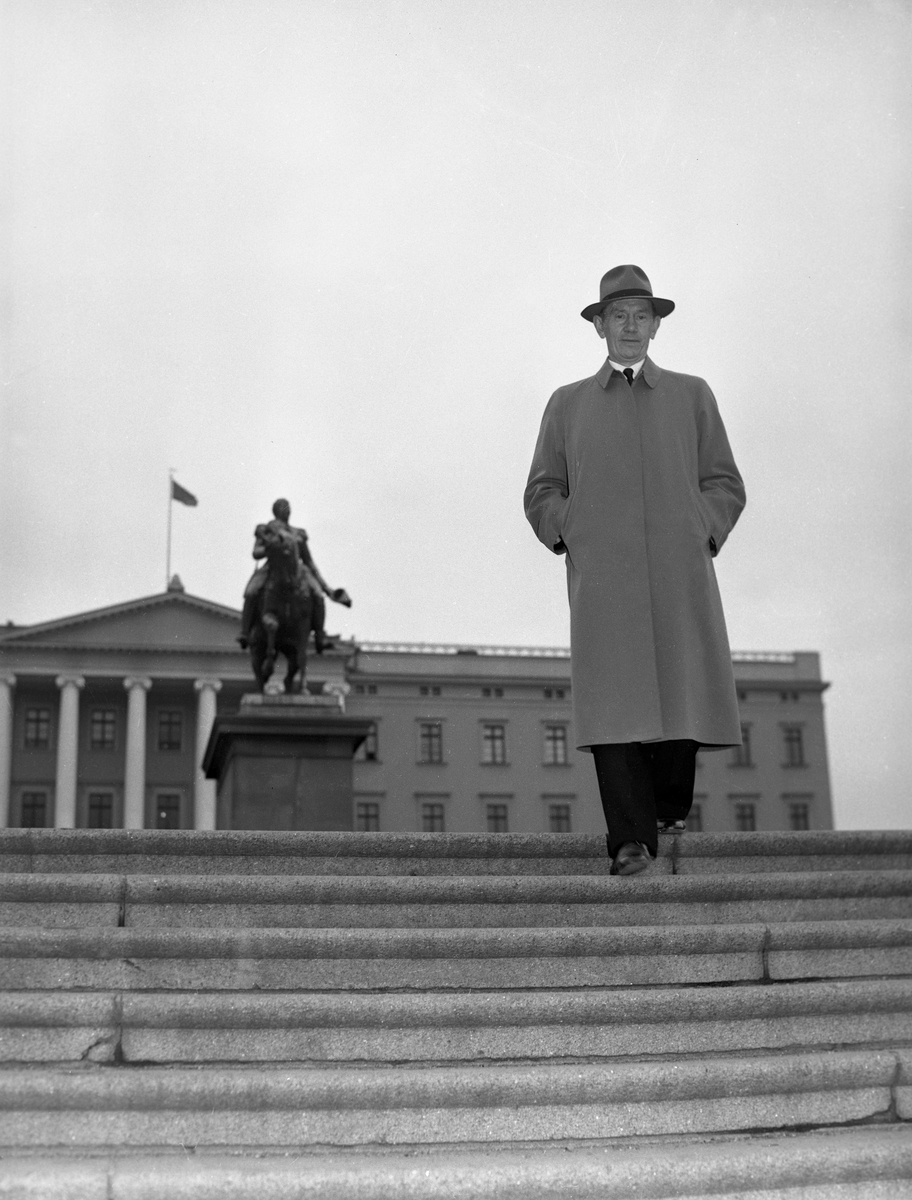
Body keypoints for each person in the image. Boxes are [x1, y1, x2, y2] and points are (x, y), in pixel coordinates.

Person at [524, 264, 745, 876]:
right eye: (617, 315)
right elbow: (542, 489)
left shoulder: (693, 395)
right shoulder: (566, 404)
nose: (630, 326)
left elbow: (724, 481)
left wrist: (702, 526)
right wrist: (571, 531)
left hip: (679, 574)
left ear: (655, 327)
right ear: (599, 327)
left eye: (640, 316)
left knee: (682, 696)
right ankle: (628, 840)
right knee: (614, 706)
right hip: (605, 584)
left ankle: (668, 806)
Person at [238, 498, 349, 651]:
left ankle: (319, 637)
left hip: (298, 570)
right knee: (251, 591)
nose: (287, 509)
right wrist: (270, 548)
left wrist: (326, 587)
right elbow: (256, 553)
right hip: (272, 566)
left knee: (317, 594)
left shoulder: (298, 533)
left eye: (288, 506)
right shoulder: (267, 530)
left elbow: (308, 561)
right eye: (283, 506)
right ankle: (244, 632)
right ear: (276, 510)